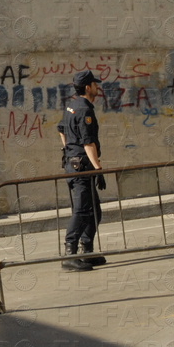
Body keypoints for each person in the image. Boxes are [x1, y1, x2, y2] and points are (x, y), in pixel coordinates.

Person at [57, 70, 108, 271]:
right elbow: (88, 143)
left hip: (74, 163)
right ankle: (70, 253)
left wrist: (68, 149)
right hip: (82, 166)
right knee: (82, 211)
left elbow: (61, 129)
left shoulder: (71, 105)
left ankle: (87, 250)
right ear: (88, 87)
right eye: (95, 84)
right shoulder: (85, 110)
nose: (97, 87)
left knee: (94, 210)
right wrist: (98, 169)